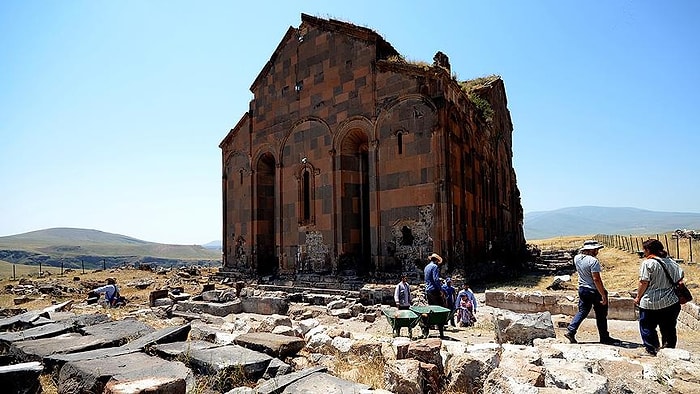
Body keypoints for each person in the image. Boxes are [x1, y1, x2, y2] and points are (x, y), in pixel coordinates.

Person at [633, 239, 684, 356]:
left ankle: (652, 350)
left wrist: (638, 297)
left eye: (644, 249)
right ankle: (669, 350)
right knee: (669, 328)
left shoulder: (648, 263)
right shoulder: (672, 262)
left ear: (648, 250)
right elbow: (680, 278)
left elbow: (644, 282)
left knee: (647, 327)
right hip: (670, 301)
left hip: (650, 302)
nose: (643, 252)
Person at [564, 240, 619, 345]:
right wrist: (603, 294)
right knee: (601, 315)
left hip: (582, 288)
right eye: (596, 250)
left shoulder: (577, 258)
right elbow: (596, 279)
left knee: (582, 311)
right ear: (592, 250)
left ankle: (571, 330)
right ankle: (604, 337)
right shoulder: (593, 261)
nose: (597, 252)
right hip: (593, 290)